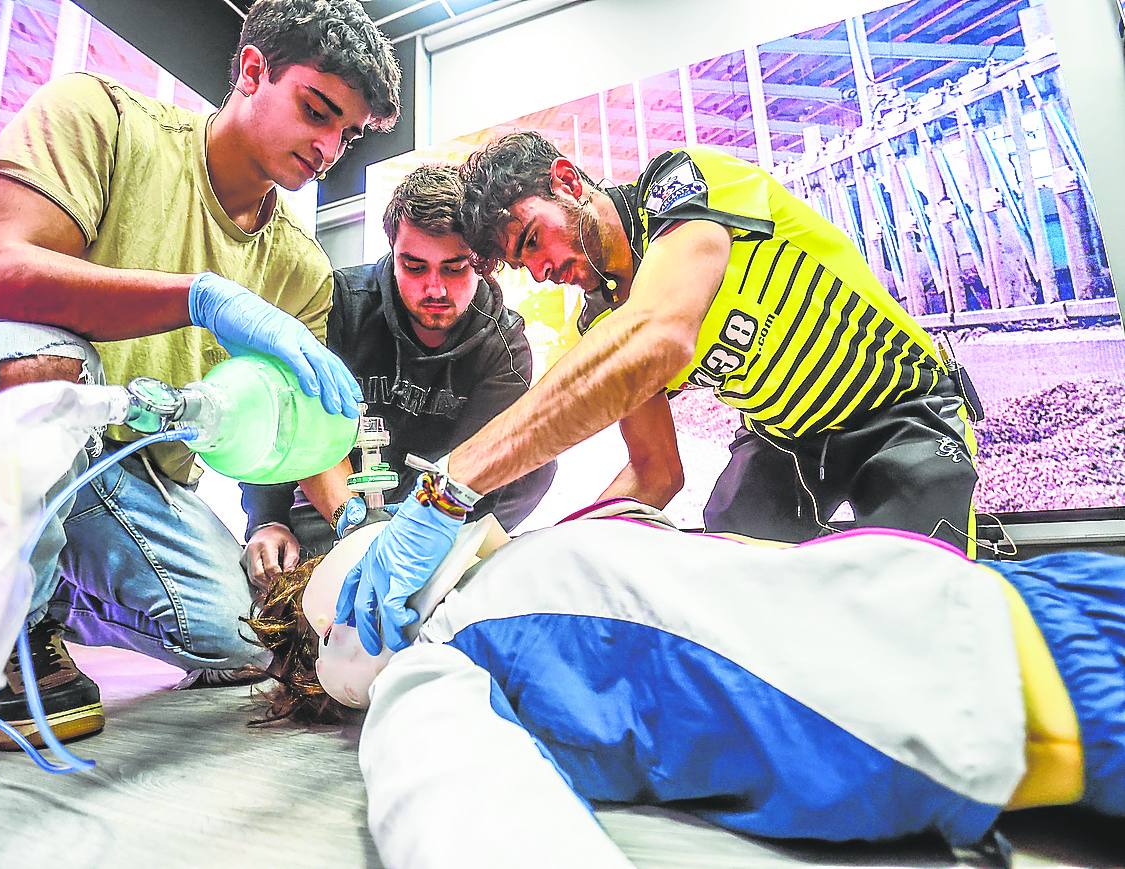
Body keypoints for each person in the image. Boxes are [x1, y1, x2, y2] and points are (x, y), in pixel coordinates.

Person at [0, 0, 400, 748]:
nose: (327, 145)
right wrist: (197, 297)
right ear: (252, 70)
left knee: (241, 639)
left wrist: (361, 532)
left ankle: (42, 585)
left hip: (132, 475)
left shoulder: (300, 268)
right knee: (54, 356)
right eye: (317, 110)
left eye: (345, 133)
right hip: (11, 411)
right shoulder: (102, 118)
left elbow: (300, 425)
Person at [336, 131, 982, 654]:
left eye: (533, 238)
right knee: (735, 612)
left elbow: (660, 337)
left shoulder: (682, 187)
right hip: (786, 438)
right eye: (522, 262)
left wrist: (447, 487)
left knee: (922, 618)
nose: (540, 269)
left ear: (566, 181)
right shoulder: (598, 315)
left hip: (899, 409)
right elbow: (655, 475)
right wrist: (547, 566)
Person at [246, 500, 1125, 865]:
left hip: (1019, 615)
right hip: (1023, 670)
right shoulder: (443, 658)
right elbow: (463, 812)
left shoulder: (534, 562)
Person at [239, 165, 555, 590]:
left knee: (536, 463)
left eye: (455, 268)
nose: (435, 289)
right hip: (324, 510)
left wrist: (414, 543)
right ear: (391, 250)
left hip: (437, 514)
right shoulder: (337, 306)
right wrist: (267, 520)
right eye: (415, 267)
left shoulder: (504, 347)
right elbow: (280, 414)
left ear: (482, 261)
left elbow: (484, 472)